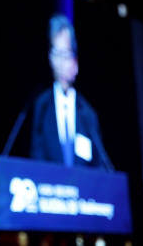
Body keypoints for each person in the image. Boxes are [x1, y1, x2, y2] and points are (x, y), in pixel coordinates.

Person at [30, 14, 112, 170]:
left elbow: (99, 164)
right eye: (56, 54)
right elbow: (36, 158)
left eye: (65, 54)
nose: (60, 62)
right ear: (49, 58)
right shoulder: (42, 106)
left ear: (76, 62)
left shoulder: (88, 114)